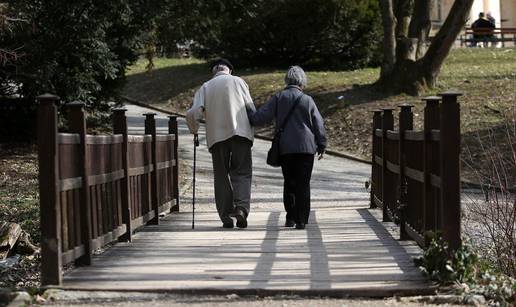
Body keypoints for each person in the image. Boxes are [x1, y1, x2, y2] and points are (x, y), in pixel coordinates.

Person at [247, 66, 327, 230]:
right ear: (302, 82)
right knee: (303, 184)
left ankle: (290, 217)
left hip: (286, 148)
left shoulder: (279, 97)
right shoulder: (307, 100)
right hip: (306, 148)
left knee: (289, 182)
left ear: (287, 80)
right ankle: (302, 220)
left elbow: (260, 117)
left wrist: (248, 110)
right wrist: (322, 143)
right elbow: (318, 123)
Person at [186, 58, 256, 229]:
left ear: (214, 72)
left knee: (221, 176)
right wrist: (254, 125)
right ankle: (241, 208)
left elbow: (194, 112)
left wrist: (194, 130)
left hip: (217, 138)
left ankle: (226, 217)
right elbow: (251, 108)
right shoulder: (239, 82)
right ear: (229, 70)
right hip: (241, 134)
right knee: (242, 172)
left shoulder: (206, 86)